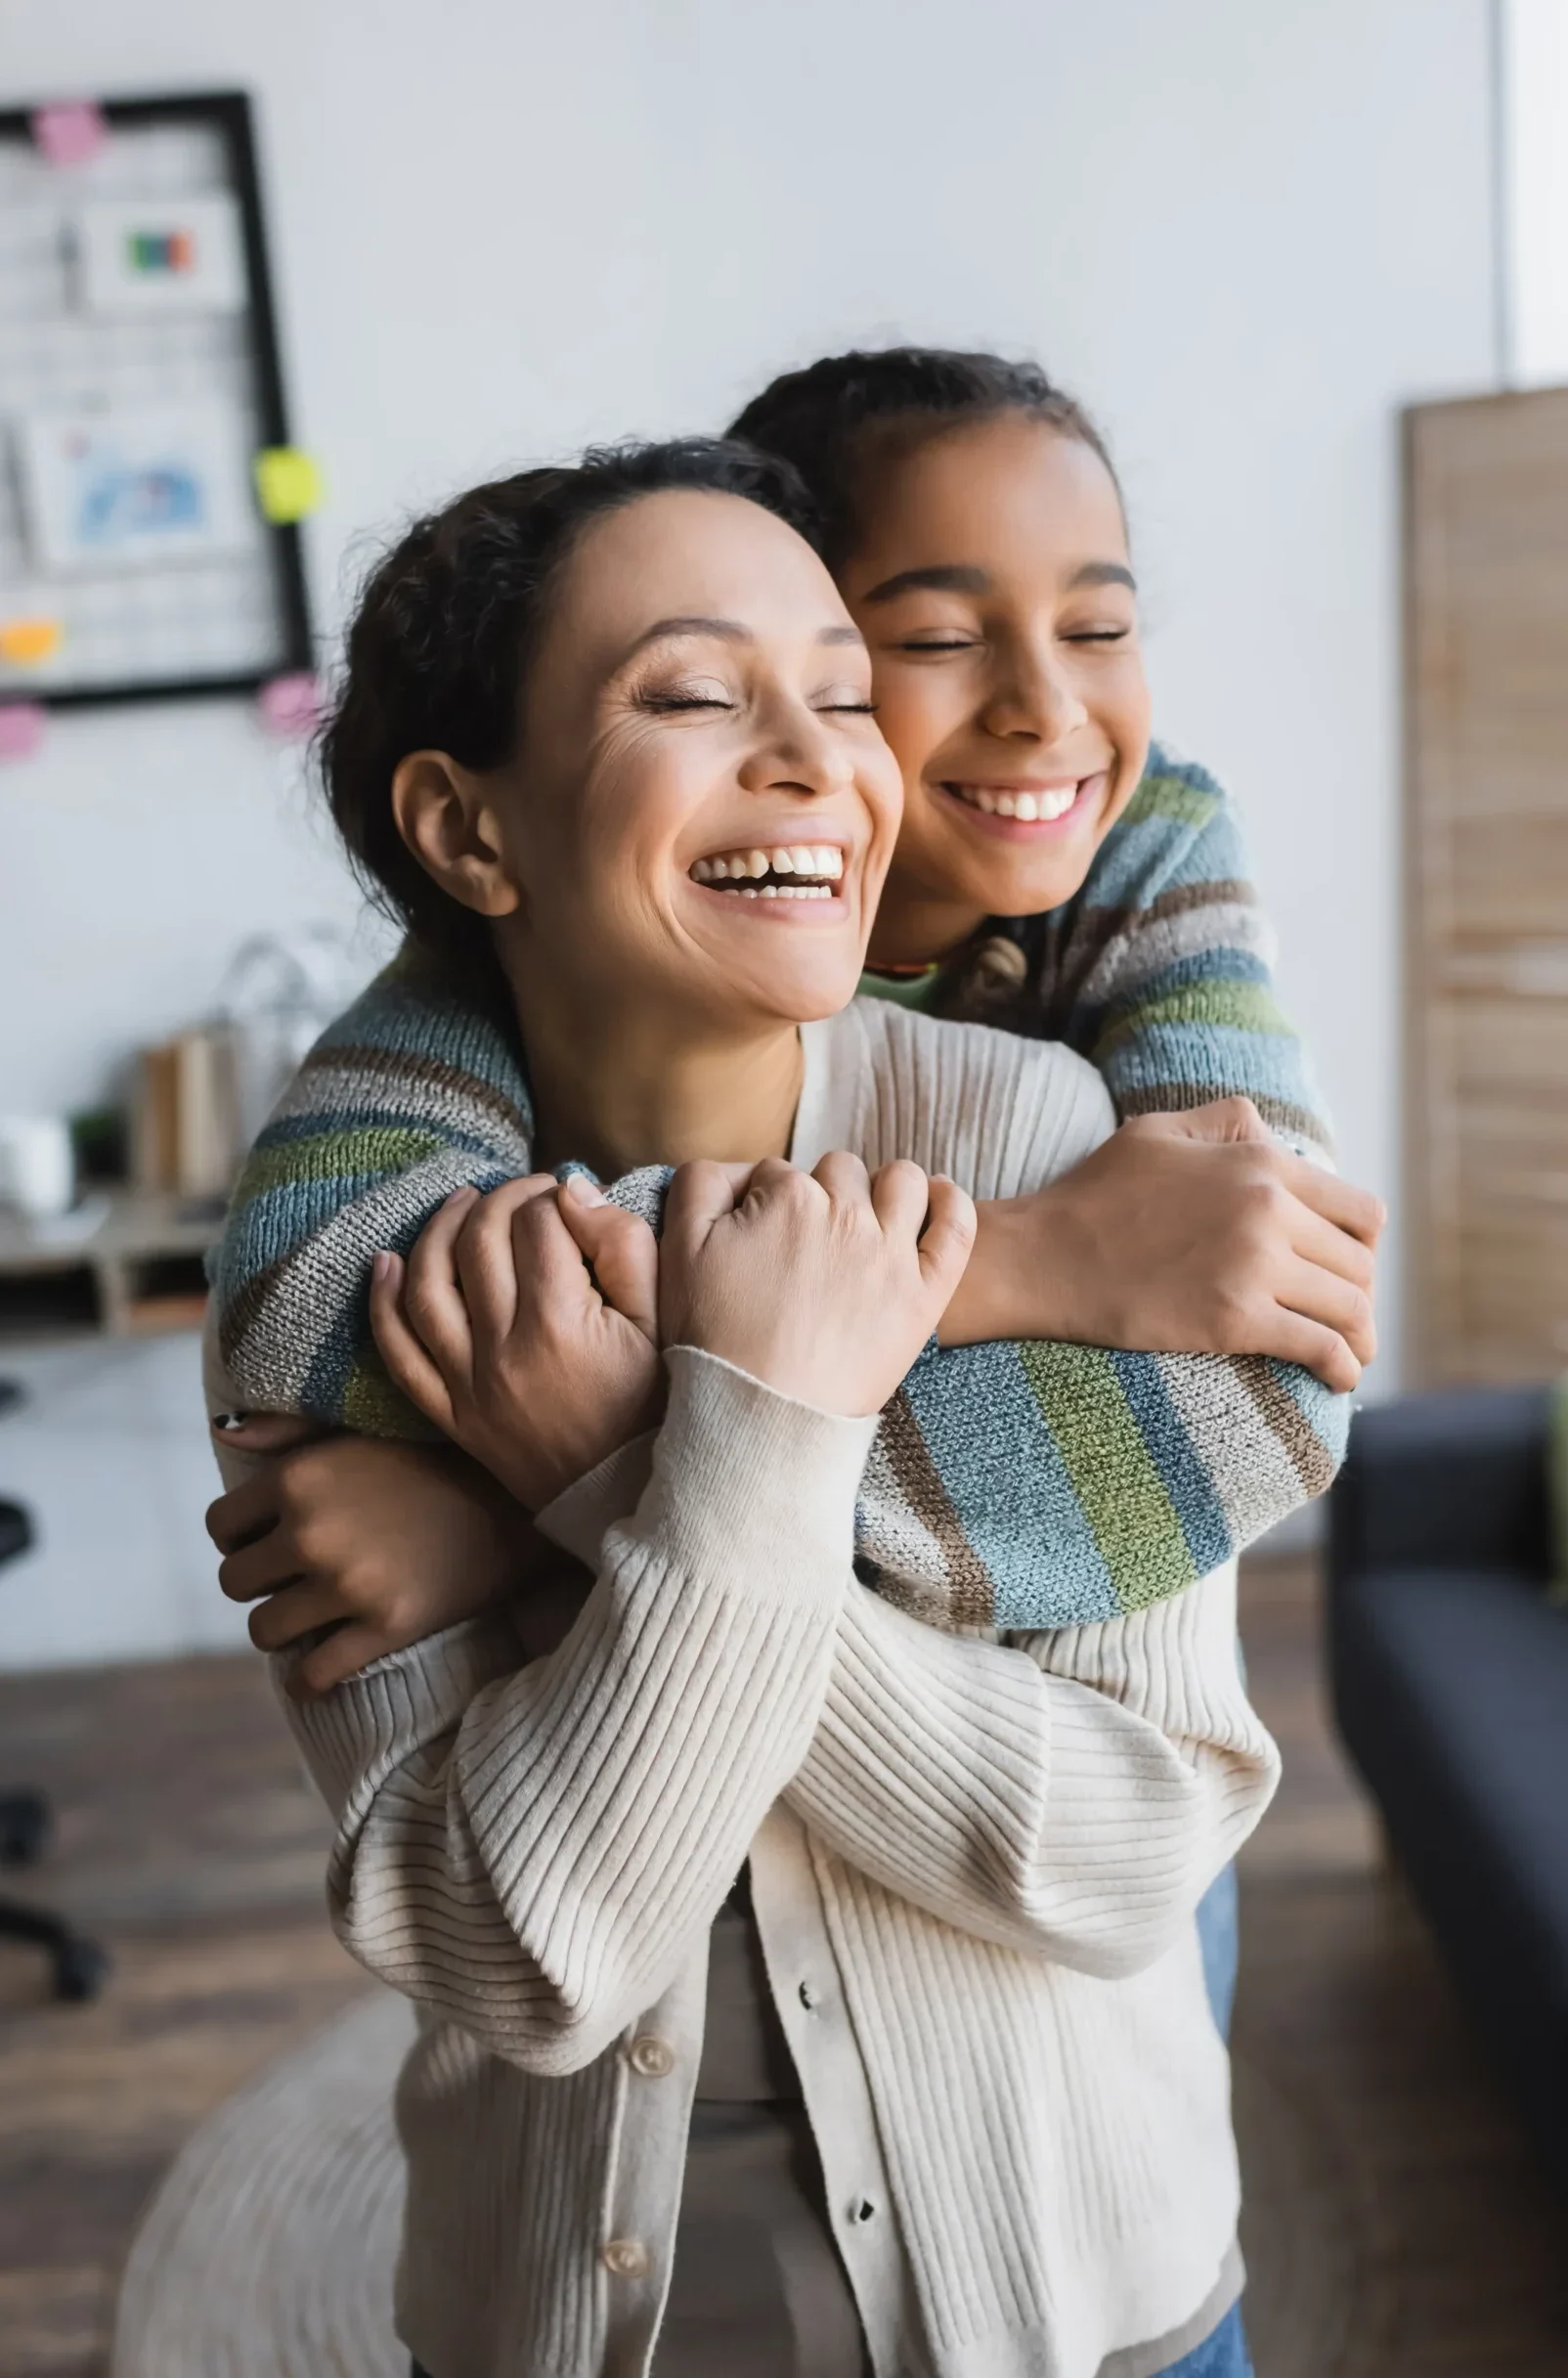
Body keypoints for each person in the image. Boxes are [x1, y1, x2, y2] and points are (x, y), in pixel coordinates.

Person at [205, 437, 1287, 2378]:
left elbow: (1127, 1854)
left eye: (847, 693)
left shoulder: (1043, 1143)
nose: (817, 758)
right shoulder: (364, 1285)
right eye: (695, 695)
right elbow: (516, 1959)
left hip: (1088, 2302)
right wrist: (726, 1441)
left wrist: (620, 1470)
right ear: (467, 831)